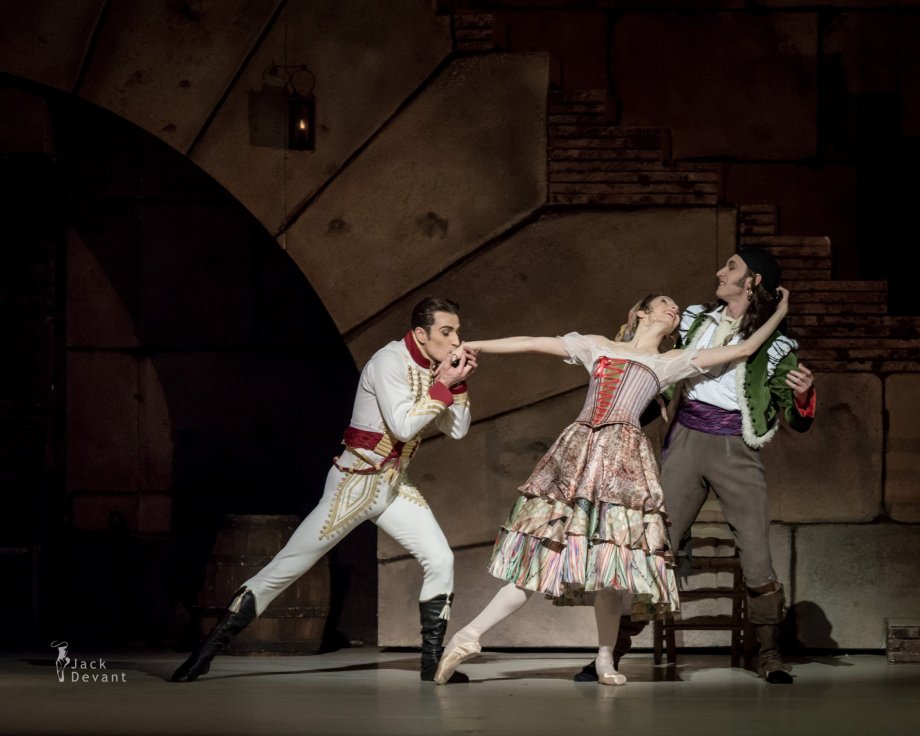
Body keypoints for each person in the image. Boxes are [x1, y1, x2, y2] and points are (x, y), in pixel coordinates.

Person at [433, 286, 791, 686]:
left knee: (611, 567)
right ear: (641, 313)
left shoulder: (671, 361)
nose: (674, 308)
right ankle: (468, 635)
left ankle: (605, 658)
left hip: (622, 466)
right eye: (664, 303)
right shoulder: (598, 346)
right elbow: (532, 342)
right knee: (542, 555)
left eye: (676, 308)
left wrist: (779, 312)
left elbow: (744, 349)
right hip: (578, 459)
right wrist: (475, 345)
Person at [171, 296, 477, 684]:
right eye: (446, 332)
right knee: (286, 567)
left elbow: (457, 430)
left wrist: (457, 384)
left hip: (393, 484)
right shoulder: (389, 361)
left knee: (440, 559)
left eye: (457, 332)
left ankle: (432, 664)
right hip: (355, 482)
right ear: (420, 333)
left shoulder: (434, 369)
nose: (455, 341)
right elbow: (402, 426)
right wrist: (443, 385)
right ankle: (205, 653)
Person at [578, 248, 816, 685]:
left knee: (756, 554)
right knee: (655, 547)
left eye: (732, 267)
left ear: (753, 282)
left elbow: (794, 416)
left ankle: (769, 653)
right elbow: (650, 360)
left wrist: (802, 396)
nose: (720, 271)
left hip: (736, 448)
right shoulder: (693, 320)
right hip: (686, 438)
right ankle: (613, 650)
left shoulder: (778, 346)